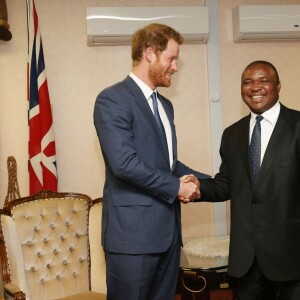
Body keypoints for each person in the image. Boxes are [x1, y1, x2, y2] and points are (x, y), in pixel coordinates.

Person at [93, 23, 209, 300]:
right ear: (149, 54)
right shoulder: (112, 100)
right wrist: (177, 188)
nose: (175, 67)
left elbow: (168, 165)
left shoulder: (165, 105)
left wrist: (215, 183)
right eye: (171, 58)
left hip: (168, 237)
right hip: (132, 240)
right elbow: (124, 163)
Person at [197, 60, 300, 299]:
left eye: (264, 80)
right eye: (248, 82)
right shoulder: (232, 134)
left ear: (278, 86)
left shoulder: (297, 126)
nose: (255, 87)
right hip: (247, 263)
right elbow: (227, 185)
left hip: (292, 260)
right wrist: (193, 187)